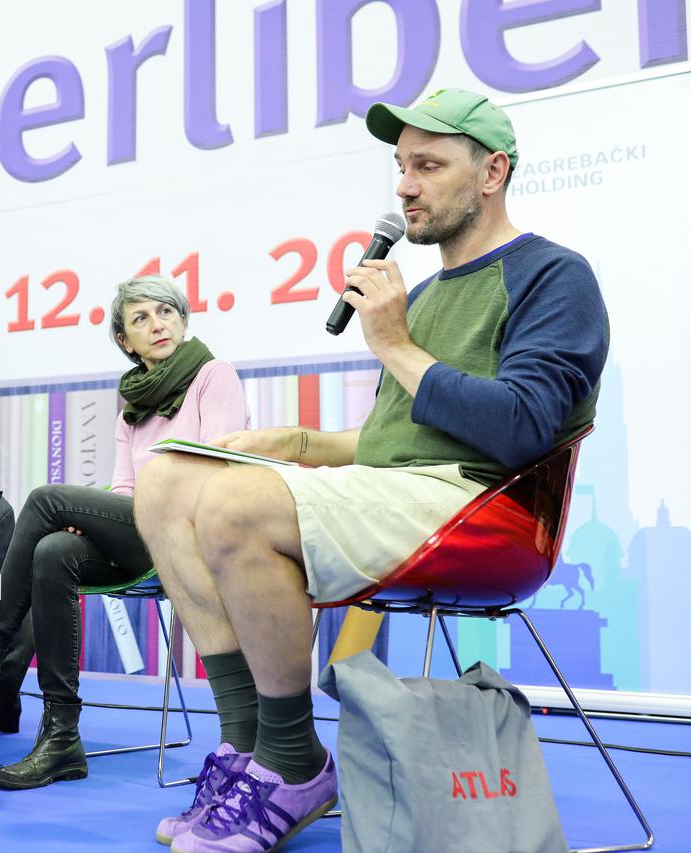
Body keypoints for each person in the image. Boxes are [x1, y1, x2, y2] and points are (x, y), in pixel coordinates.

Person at [135, 88, 608, 853]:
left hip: (482, 506)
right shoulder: (418, 295)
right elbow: (394, 439)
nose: (404, 186)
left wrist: (393, 343)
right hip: (401, 491)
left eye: (428, 165)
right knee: (167, 476)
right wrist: (294, 441)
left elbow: (522, 427)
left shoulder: (554, 274)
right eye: (400, 165)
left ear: (493, 173)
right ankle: (249, 747)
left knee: (233, 505)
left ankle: (292, 760)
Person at [0, 275, 250, 790]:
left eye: (166, 312)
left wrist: (101, 511)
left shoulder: (214, 375)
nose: (158, 324)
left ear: (183, 320)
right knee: (56, 550)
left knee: (47, 499)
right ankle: (62, 739)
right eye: (141, 318)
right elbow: (125, 489)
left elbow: (220, 466)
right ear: (126, 341)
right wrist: (100, 519)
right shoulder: (133, 405)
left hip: (192, 532)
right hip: (141, 532)